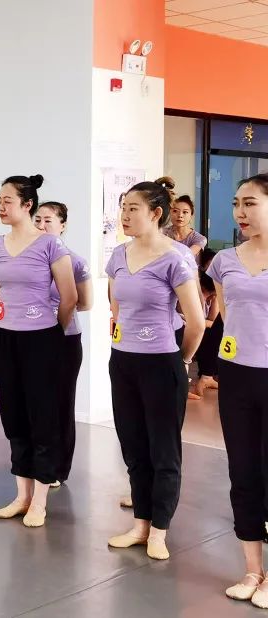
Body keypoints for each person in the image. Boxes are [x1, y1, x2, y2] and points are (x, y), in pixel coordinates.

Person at [105, 179, 203, 560]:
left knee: (164, 452)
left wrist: (182, 360)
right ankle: (141, 525)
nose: (125, 215)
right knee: (134, 447)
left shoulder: (176, 258)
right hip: (123, 361)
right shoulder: (118, 255)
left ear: (156, 213)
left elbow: (195, 321)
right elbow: (116, 308)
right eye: (123, 207)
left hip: (162, 362)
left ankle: (159, 531)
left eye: (133, 208)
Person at [0, 174, 77, 528]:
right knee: (14, 417)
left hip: (42, 339)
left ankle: (39, 500)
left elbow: (69, 297)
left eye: (7, 200)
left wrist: (51, 330)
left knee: (43, 419)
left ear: (27, 205)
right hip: (6, 338)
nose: (0, 206)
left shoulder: (50, 245)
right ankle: (21, 496)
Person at [208, 173, 268, 607]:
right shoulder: (224, 261)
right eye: (236, 204)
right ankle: (252, 570)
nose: (240, 213)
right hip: (237, 376)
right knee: (243, 471)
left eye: (250, 203)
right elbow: (228, 316)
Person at [34, 201, 93, 486]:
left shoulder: (75, 261)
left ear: (62, 225)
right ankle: (37, 463)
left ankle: (58, 468)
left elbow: (85, 302)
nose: (41, 225)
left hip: (64, 339)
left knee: (61, 404)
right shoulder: (30, 259)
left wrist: (56, 315)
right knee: (36, 403)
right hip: (33, 339)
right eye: (37, 219)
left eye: (48, 220)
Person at [189, 271, 222, 400]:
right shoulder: (195, 296)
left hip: (201, 330)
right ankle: (206, 375)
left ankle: (208, 375)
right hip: (187, 330)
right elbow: (196, 321)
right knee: (210, 334)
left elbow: (213, 319)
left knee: (214, 332)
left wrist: (216, 298)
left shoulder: (210, 299)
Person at [164, 195, 207, 260]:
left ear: (191, 215)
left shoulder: (199, 239)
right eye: (175, 211)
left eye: (185, 212)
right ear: (169, 213)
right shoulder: (162, 233)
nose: (180, 215)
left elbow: (187, 255)